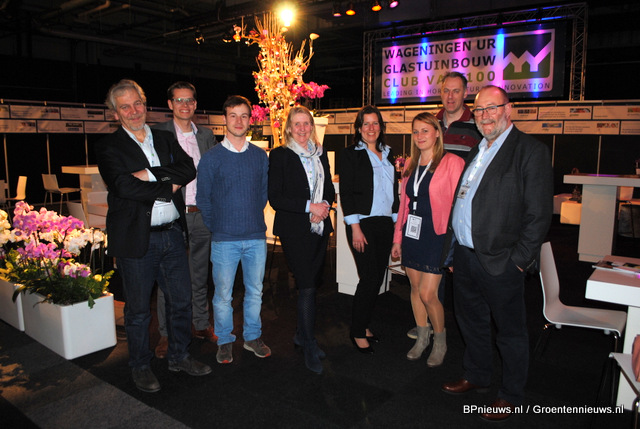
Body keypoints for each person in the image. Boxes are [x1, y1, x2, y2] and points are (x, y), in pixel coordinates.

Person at [441, 85, 553, 421]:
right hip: (465, 257)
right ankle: (477, 374)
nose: (485, 115)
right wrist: (454, 251)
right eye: (479, 110)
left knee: (510, 333)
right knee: (470, 322)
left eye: (492, 108)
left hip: (502, 262)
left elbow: (538, 215)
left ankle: (511, 394)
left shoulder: (529, 151)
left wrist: (518, 261)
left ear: (509, 109)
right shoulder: (477, 150)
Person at [96, 79, 212, 393]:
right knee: (137, 311)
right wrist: (164, 183)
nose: (134, 111)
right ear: (115, 113)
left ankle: (179, 355)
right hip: (137, 240)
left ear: (145, 104)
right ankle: (140, 365)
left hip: (172, 234)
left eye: (138, 103)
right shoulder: (108, 147)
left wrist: (147, 174)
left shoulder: (163, 137)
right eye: (125, 107)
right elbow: (123, 187)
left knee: (181, 302)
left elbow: (188, 168)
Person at [407, 72, 481, 342]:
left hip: (455, 216)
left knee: (457, 285)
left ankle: (459, 333)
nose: (450, 96)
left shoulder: (476, 125)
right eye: (446, 91)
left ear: (465, 93)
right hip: (422, 221)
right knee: (424, 289)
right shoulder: (432, 121)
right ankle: (426, 329)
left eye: (456, 91)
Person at [196, 95, 271, 365]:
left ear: (250, 120)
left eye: (243, 116)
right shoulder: (211, 158)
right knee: (223, 296)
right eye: (233, 116)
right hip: (224, 239)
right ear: (224, 119)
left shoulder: (260, 156)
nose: (238, 121)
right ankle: (225, 340)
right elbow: (203, 199)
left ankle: (252, 337)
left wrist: (248, 218)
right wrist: (219, 226)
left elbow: (262, 195)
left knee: (255, 292)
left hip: (255, 237)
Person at [391, 112, 464, 366]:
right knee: (414, 288)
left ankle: (440, 341)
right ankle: (422, 337)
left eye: (425, 130)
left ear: (437, 133)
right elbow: (404, 204)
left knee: (428, 293)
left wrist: (456, 249)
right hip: (412, 234)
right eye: (416, 131)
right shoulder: (411, 163)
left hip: (437, 235)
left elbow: (459, 208)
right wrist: (397, 238)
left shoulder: (452, 162)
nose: (420, 136)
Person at [268, 106, 335, 374]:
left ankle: (300, 334)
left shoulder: (320, 154)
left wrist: (324, 206)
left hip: (319, 227)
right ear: (289, 128)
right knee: (307, 286)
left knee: (312, 284)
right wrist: (310, 207)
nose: (302, 128)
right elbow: (276, 198)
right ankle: (308, 343)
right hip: (294, 229)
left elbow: (328, 187)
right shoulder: (280, 155)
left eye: (306, 123)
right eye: (297, 124)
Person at [152, 81, 216, 359]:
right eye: (179, 100)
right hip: (173, 215)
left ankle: (200, 324)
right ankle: (166, 334)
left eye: (189, 100)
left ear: (195, 103)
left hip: (201, 214)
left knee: (199, 275)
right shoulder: (158, 134)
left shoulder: (206, 135)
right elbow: (154, 172)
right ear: (170, 104)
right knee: (168, 278)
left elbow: (214, 172)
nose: (185, 105)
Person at [339, 105, 399, 354]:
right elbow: (346, 193)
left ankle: (363, 325)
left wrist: (396, 226)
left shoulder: (389, 153)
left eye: (375, 123)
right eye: (366, 123)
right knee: (369, 278)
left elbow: (393, 192)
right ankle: (356, 331)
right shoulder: (350, 154)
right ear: (359, 128)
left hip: (385, 224)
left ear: (381, 127)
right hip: (361, 224)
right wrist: (355, 227)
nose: (371, 128)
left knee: (376, 279)